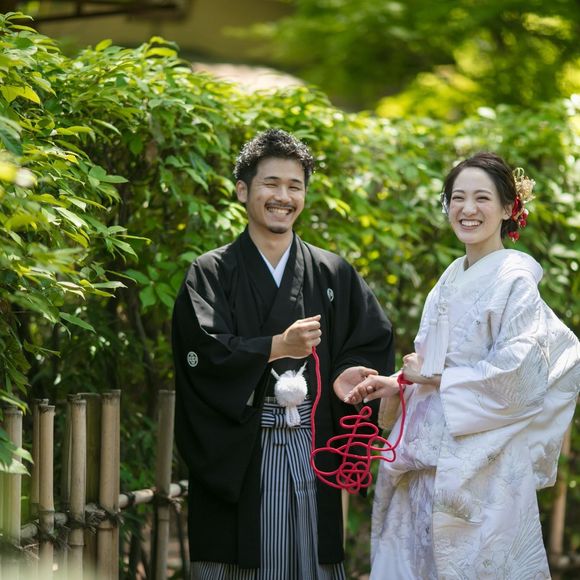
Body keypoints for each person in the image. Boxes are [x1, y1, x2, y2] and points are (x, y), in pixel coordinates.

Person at [344, 152, 579, 579]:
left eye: (482, 198)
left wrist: (434, 377)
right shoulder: (451, 276)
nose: (467, 209)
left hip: (482, 469)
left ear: (508, 208)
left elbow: (519, 376)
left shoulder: (515, 282)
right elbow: (430, 365)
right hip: (425, 464)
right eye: (457, 197)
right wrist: (399, 383)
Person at [172, 128, 395, 579]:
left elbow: (370, 340)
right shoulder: (210, 272)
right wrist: (276, 347)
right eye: (271, 184)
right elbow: (202, 355)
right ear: (243, 190)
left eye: (295, 186)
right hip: (243, 452)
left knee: (312, 559)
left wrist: (347, 374)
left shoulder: (332, 272)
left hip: (313, 442)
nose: (283, 197)